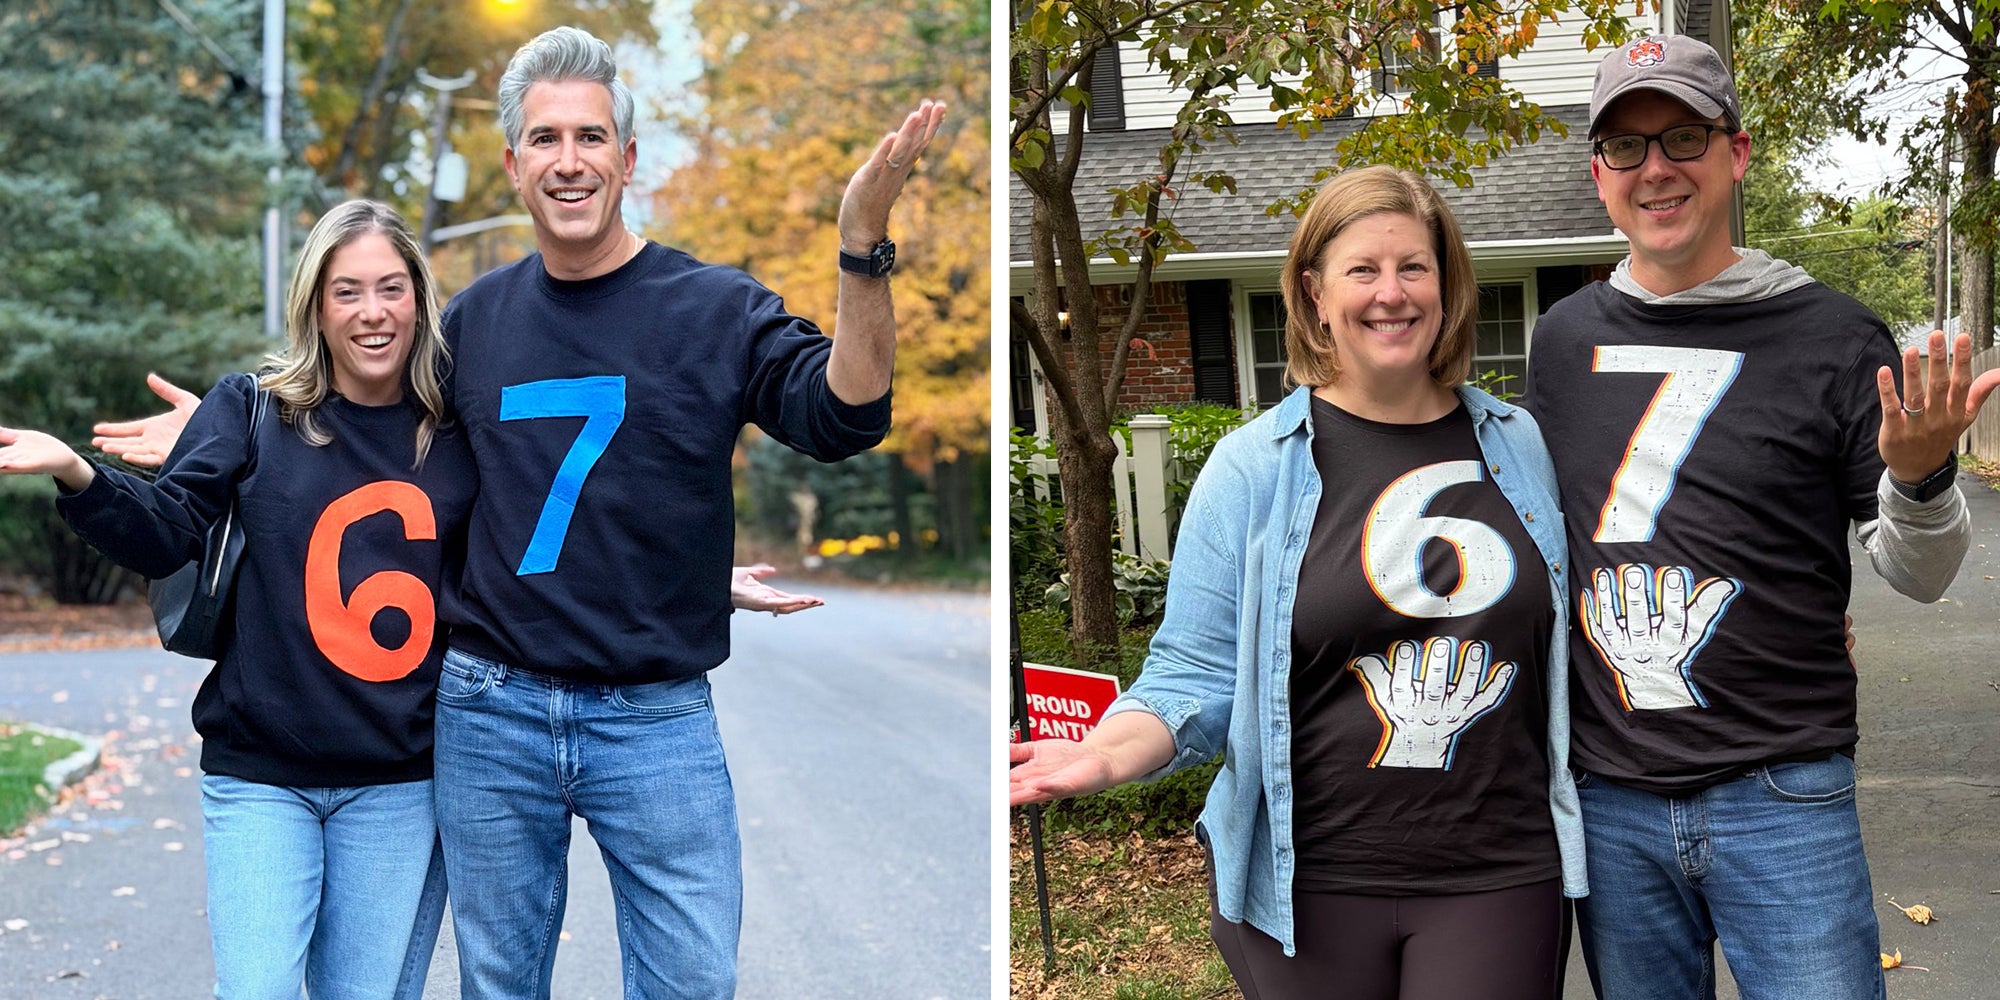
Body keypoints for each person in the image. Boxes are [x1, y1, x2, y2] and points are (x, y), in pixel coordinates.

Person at [97, 26, 942, 999]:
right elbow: (405, 468)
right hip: (489, 707)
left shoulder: (712, 307)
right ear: (512, 164)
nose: (568, 160)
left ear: (627, 159)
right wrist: (234, 429)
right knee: (498, 986)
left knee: (691, 980)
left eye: (589, 137)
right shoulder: (474, 323)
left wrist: (859, 248)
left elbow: (845, 414)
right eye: (544, 139)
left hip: (653, 717)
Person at [1010, 165, 1584, 1000]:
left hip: (1498, 868)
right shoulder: (1252, 468)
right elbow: (1194, 673)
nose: (1392, 294)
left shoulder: (1519, 443)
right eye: (1363, 271)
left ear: (1446, 283)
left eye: (1413, 267)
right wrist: (1104, 756)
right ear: (1316, 293)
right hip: (1305, 881)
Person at [1523, 33, 2000, 1000]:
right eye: (1626, 146)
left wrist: (1918, 477)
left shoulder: (1835, 335)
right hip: (1612, 796)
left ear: (1736, 153)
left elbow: (1922, 572)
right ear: (1599, 176)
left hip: (1783, 793)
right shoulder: (1559, 342)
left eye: (1684, 136)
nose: (1656, 167)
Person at [0, 199, 465, 998]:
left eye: (392, 288)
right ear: (315, 305)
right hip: (262, 779)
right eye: (347, 291)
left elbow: (539, 540)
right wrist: (76, 473)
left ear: (419, 299)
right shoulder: (255, 410)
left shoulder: (457, 430)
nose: (373, 312)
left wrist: (692, 580)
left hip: (399, 786)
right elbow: (165, 531)